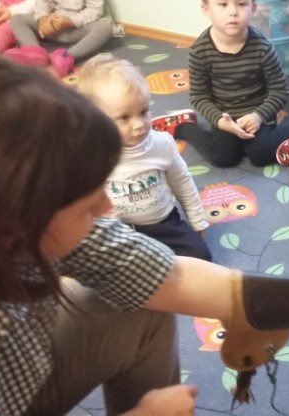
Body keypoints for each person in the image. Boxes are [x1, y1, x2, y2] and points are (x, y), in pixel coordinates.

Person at [0, 58, 289, 416]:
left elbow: (159, 274)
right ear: (14, 227)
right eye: (87, 204)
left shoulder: (11, 219)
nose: (106, 206)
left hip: (9, 379)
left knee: (138, 301)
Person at [76, 53, 212, 261]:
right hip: (120, 229)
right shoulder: (95, 154)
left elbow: (182, 182)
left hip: (164, 224)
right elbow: (84, 193)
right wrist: (98, 215)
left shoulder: (162, 144)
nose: (139, 124)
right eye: (124, 117)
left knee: (200, 256)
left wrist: (197, 220)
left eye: (143, 111)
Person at [156, 0, 289, 168]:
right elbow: (199, 97)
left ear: (253, 8)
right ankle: (183, 127)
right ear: (206, 9)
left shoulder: (262, 47)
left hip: (258, 112)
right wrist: (219, 121)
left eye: (241, 4)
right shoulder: (200, 51)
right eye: (223, 4)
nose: (233, 12)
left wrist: (258, 116)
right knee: (223, 158)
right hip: (224, 115)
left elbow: (280, 90)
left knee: (260, 155)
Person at [8, 0, 113, 76]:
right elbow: (44, 2)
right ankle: (36, 52)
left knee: (106, 27)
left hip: (78, 28)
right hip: (52, 27)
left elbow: (94, 11)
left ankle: (65, 57)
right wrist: (43, 19)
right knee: (17, 19)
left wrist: (71, 21)